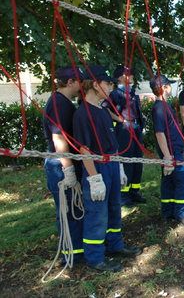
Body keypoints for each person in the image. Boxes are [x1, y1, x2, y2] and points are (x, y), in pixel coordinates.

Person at [73, 66, 141, 272]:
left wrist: (119, 166)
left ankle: (115, 245)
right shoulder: (83, 114)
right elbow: (84, 149)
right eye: (107, 84)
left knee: (114, 208)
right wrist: (94, 179)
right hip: (97, 168)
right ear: (95, 85)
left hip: (111, 164)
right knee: (97, 213)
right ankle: (95, 258)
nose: (111, 88)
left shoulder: (103, 111)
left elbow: (112, 143)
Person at [43, 66, 84, 265]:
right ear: (69, 82)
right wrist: (68, 169)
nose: (81, 87)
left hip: (65, 162)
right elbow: (59, 138)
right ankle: (72, 255)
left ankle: (77, 250)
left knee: (73, 209)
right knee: (67, 211)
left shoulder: (64, 102)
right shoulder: (58, 104)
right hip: (60, 165)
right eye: (79, 82)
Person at [151, 74, 184, 228]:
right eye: (169, 85)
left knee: (169, 181)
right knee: (183, 180)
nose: (171, 87)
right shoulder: (159, 107)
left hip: (173, 151)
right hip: (172, 153)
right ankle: (182, 213)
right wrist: (167, 157)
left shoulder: (164, 105)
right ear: (164, 88)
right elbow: (159, 133)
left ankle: (168, 211)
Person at [102, 66, 146, 206]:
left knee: (137, 160)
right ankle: (124, 195)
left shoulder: (132, 92)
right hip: (125, 130)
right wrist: (120, 119)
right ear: (120, 77)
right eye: (128, 74)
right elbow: (105, 108)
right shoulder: (115, 94)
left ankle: (134, 191)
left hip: (136, 128)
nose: (131, 75)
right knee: (126, 160)